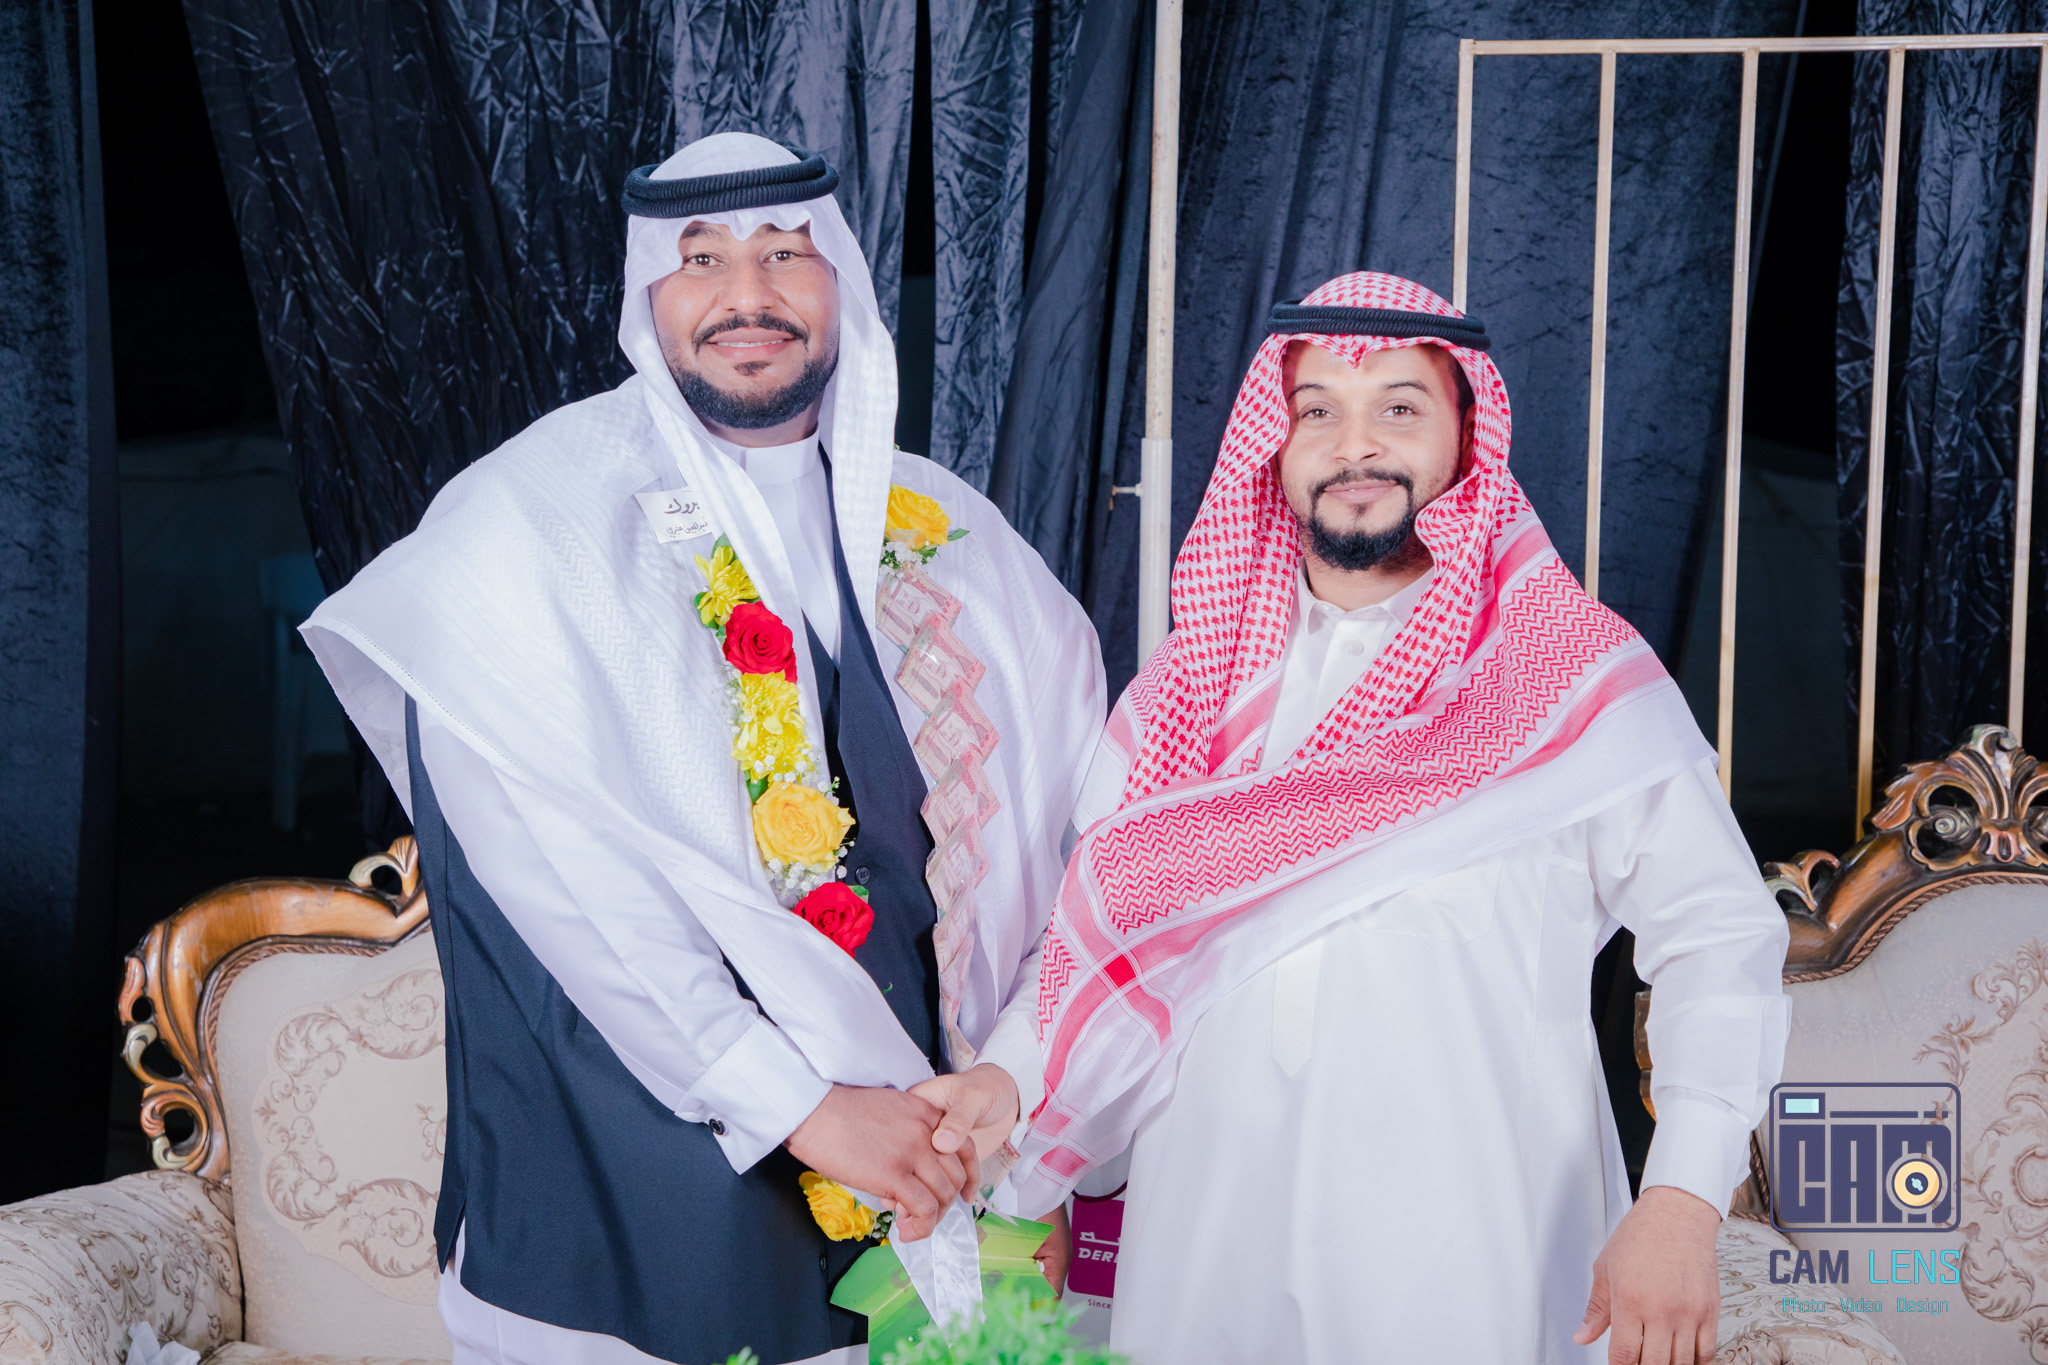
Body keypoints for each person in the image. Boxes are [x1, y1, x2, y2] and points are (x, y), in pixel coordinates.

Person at [303, 132, 1104, 1365]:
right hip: (647, 1209)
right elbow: (562, 888)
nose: (747, 294)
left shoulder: (958, 538)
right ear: (648, 294)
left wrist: (1018, 1099)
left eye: (785, 254)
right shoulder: (524, 531)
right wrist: (801, 1107)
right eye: (701, 260)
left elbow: (1093, 849)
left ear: (839, 281)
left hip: (937, 1174)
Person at [1012, 272, 1790, 1365]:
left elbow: (1720, 935)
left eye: (1399, 407)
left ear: (1465, 435)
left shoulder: (1569, 678)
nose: (1354, 445)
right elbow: (1079, 965)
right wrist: (1021, 1150)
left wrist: (1683, 1197)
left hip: (1471, 1261)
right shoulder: (1186, 693)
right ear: (1273, 444)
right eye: (1316, 409)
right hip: (1203, 1259)